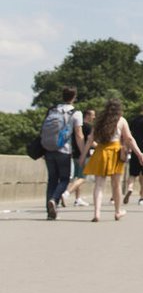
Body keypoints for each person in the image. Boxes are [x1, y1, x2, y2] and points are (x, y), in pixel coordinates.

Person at [81, 98, 143, 222]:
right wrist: (139, 153)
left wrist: (83, 156)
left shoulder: (99, 121)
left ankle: (97, 213)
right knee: (116, 184)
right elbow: (129, 139)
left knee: (99, 185)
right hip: (115, 152)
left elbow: (90, 139)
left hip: (100, 151)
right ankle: (117, 211)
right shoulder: (121, 121)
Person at [40, 86, 82, 220]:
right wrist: (83, 151)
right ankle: (54, 200)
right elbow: (79, 135)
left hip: (48, 149)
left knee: (52, 179)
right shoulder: (75, 113)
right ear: (74, 97)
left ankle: (49, 212)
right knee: (64, 179)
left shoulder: (52, 110)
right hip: (64, 150)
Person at [66, 106, 95, 207]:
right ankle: (66, 193)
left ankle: (78, 199)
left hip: (74, 153)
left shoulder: (77, 126)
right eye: (92, 115)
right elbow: (91, 142)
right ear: (87, 115)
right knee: (82, 177)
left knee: (77, 177)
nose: (94, 117)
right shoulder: (88, 127)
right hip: (83, 154)